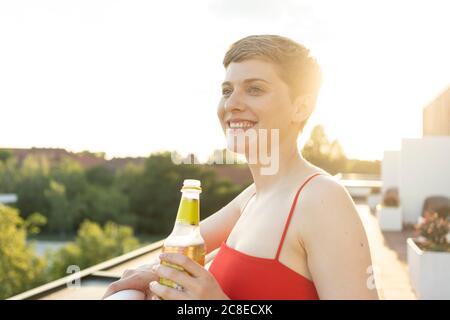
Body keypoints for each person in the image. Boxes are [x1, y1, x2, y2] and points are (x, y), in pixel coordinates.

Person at [103, 35, 379, 300]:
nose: (231, 104)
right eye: (226, 91)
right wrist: (152, 274)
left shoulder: (321, 198)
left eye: (254, 89)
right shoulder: (253, 197)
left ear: (300, 107)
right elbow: (178, 247)